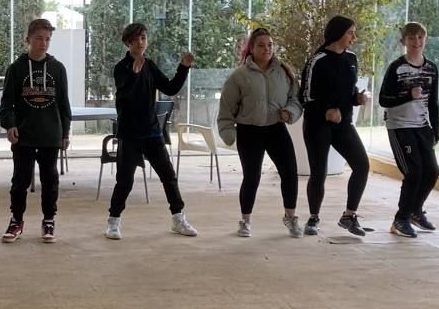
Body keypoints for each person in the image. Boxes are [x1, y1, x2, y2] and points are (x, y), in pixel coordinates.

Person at [105, 22, 197, 240]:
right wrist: (134, 74)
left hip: (152, 133)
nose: (140, 42)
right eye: (135, 39)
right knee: (125, 181)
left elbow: (170, 88)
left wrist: (183, 68)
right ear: (128, 43)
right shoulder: (121, 68)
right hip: (129, 134)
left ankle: (178, 218)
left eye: (143, 38)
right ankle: (113, 222)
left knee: (169, 176)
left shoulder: (150, 65)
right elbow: (124, 94)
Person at [216, 27, 303, 238]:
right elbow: (226, 108)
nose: (267, 49)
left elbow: (295, 99)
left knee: (290, 173)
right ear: (252, 48)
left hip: (276, 129)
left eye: (270, 45)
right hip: (249, 132)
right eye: (261, 45)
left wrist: (289, 112)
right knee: (251, 177)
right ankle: (245, 221)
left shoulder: (284, 72)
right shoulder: (239, 76)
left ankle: (291, 217)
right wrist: (228, 133)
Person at [0, 18, 72, 243]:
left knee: (50, 179)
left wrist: (65, 132)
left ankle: (49, 220)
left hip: (50, 135)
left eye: (47, 39)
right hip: (24, 136)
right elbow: (6, 104)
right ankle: (16, 220)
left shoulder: (58, 68)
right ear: (28, 40)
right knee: (20, 180)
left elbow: (64, 104)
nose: (43, 43)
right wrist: (10, 125)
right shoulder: (16, 68)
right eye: (39, 38)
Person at [299, 15, 372, 237]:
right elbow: (305, 96)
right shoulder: (317, 60)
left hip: (343, 123)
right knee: (319, 172)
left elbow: (348, 92)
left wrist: (357, 98)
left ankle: (349, 216)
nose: (353, 37)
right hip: (317, 124)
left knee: (362, 165)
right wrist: (327, 110)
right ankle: (313, 217)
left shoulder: (351, 58)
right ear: (338, 33)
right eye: (350, 32)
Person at [379, 22, 439, 239]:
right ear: (403, 41)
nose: (416, 42)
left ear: (426, 39)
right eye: (412, 38)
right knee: (413, 172)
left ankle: (415, 210)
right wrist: (408, 95)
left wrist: (436, 129)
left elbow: (433, 102)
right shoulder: (396, 68)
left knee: (432, 172)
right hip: (400, 127)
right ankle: (401, 219)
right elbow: (383, 100)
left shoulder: (431, 68)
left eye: (420, 37)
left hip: (422, 126)